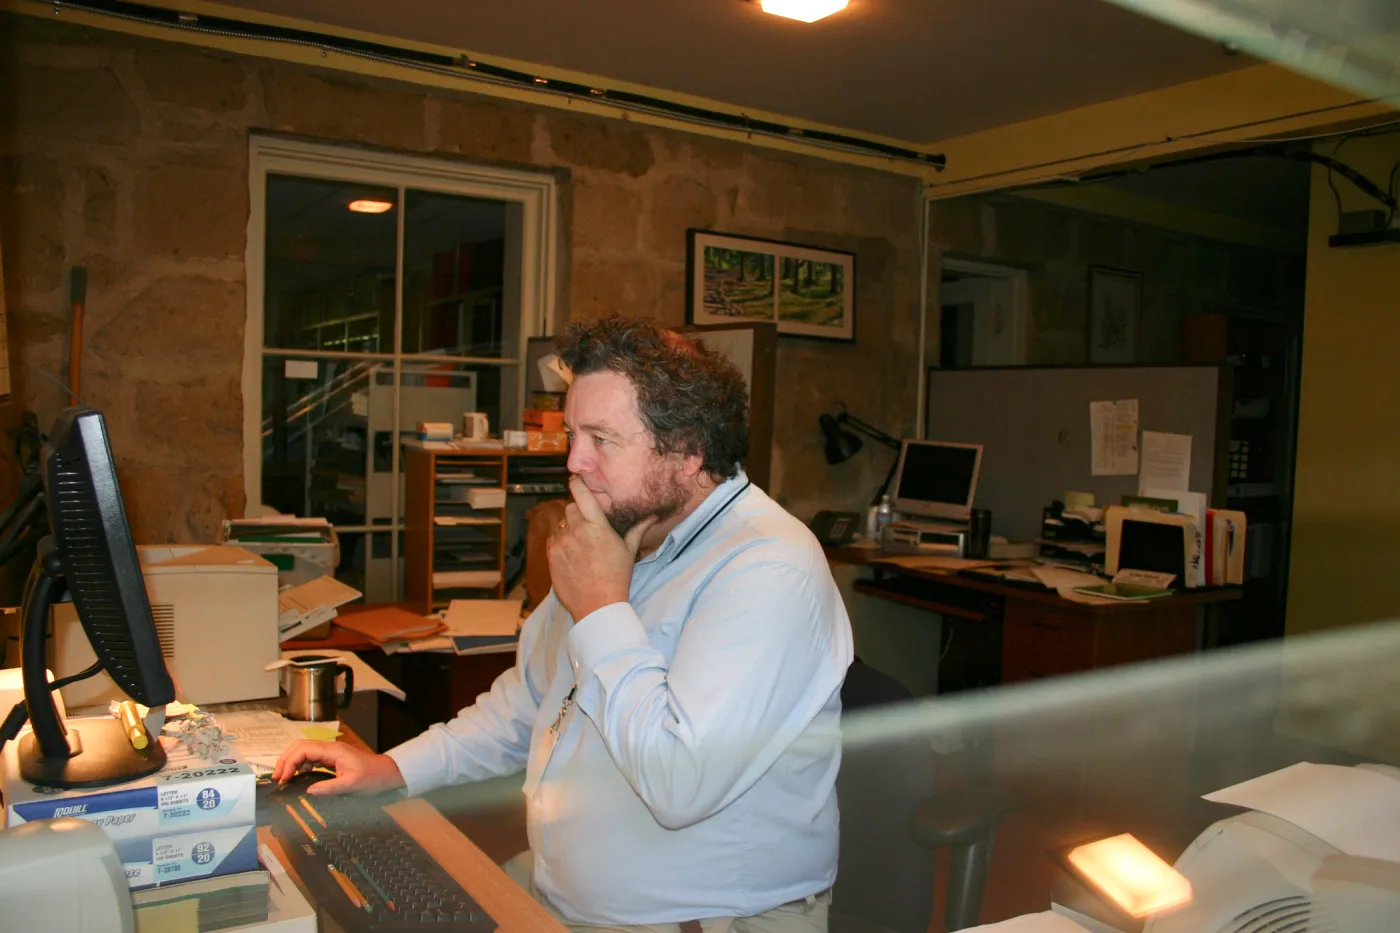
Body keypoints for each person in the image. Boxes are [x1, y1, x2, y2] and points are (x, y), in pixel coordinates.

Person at [274, 315, 854, 933]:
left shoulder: (768, 567)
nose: (573, 461)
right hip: (572, 901)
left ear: (688, 450)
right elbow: (527, 706)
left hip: (703, 921)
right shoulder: (624, 528)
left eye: (601, 438)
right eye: (573, 433)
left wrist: (604, 608)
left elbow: (681, 785)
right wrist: (394, 768)